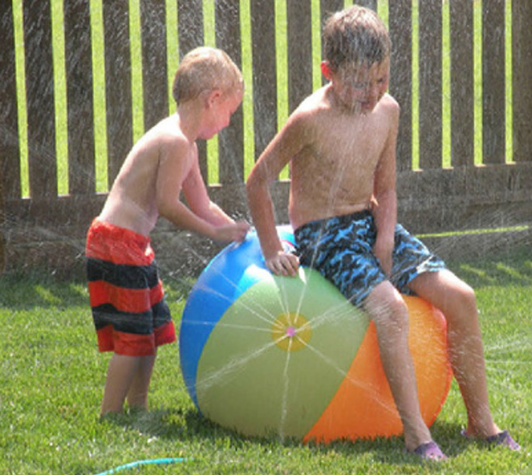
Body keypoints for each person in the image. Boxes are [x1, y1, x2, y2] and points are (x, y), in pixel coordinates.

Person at [246, 6, 520, 461]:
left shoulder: (386, 111)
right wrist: (272, 247)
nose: (371, 93)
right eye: (359, 82)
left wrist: (386, 237)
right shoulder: (310, 119)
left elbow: (387, 188)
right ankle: (416, 435)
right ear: (328, 72)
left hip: (371, 220)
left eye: (381, 79)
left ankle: (481, 423)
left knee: (462, 297)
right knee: (391, 310)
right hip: (323, 233)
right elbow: (258, 179)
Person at [86, 47, 250, 416]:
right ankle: (110, 414)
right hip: (115, 242)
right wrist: (213, 233)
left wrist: (236, 229)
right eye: (229, 114)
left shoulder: (186, 145)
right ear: (214, 99)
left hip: (131, 244)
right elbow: (171, 205)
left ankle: (138, 407)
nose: (227, 124)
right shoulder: (174, 141)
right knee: (132, 337)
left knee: (152, 330)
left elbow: (202, 203)